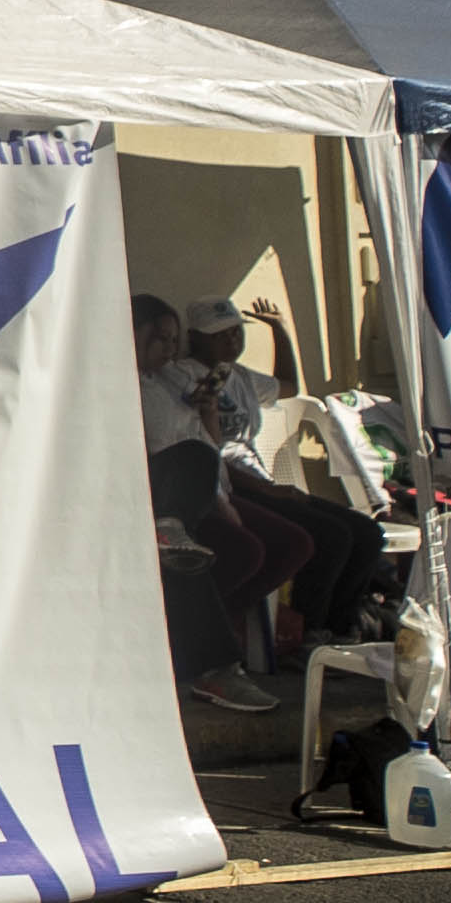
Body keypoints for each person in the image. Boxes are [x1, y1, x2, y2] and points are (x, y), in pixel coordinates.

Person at [151, 297, 395, 650]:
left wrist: (279, 329)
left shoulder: (241, 377)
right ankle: (304, 634)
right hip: (231, 484)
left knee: (366, 533)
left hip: (261, 479)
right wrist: (267, 491)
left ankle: (342, 628)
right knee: (329, 536)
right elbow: (207, 452)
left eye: (236, 333)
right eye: (221, 336)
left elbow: (290, 386)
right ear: (197, 338)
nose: (232, 342)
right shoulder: (179, 377)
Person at [136, 297, 272, 708]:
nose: (167, 349)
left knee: (225, 553)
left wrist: (209, 411)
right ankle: (217, 669)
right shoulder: (113, 382)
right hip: (144, 491)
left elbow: (210, 444)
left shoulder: (173, 382)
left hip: (192, 494)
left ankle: (199, 653)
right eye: (158, 339)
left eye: (172, 341)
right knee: (184, 560)